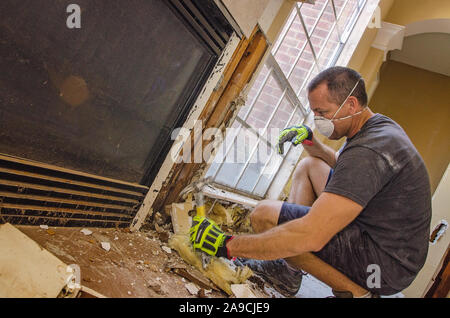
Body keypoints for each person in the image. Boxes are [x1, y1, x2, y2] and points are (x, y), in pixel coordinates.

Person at [189, 66, 432, 298]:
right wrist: (313, 145)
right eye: (314, 112)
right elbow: (350, 172)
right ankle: (289, 270)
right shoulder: (376, 127)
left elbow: (313, 235)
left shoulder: (370, 150)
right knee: (310, 166)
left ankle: (358, 293)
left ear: (351, 104)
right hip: (388, 243)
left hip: (383, 267)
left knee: (264, 216)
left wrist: (228, 246)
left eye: (323, 113)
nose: (318, 119)